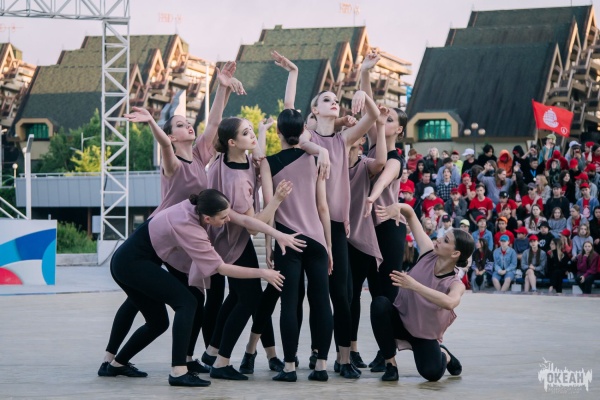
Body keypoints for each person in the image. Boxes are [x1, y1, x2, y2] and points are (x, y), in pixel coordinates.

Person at [99, 62, 244, 377]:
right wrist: (153, 121)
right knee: (157, 301)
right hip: (158, 239)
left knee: (187, 298)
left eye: (188, 122)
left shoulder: (200, 155)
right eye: (180, 124)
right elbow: (164, 145)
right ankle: (113, 359)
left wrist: (222, 86)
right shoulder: (173, 163)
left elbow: (214, 120)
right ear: (171, 135)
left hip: (179, 241)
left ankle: (176, 358)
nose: (188, 126)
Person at [106, 190, 285, 387]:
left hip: (128, 261)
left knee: (158, 323)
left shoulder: (199, 206)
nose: (228, 220)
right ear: (207, 218)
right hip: (132, 264)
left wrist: (278, 235)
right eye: (224, 218)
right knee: (187, 302)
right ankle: (178, 371)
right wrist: (263, 273)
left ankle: (117, 364)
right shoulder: (189, 227)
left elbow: (243, 220)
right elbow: (221, 268)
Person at [300, 80, 380, 379]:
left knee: (342, 295)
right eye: (326, 99)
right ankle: (316, 352)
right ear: (314, 109)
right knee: (317, 296)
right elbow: (299, 136)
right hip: (308, 225)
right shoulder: (306, 135)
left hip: (335, 226)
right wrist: (317, 150)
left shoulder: (343, 140)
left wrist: (363, 92)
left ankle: (343, 358)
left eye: (336, 99)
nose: (334, 102)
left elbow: (373, 117)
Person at [202, 116, 292, 380]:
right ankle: (221, 362)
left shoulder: (226, 159)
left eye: (251, 130)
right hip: (232, 243)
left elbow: (256, 155)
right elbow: (253, 226)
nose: (251, 136)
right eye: (246, 133)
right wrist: (276, 200)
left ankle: (213, 351)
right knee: (249, 299)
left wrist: (261, 132)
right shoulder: (237, 181)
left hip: (226, 239)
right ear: (232, 142)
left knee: (237, 297)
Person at [257, 108, 334, 382]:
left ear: (278, 132)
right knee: (321, 301)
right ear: (303, 131)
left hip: (287, 242)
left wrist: (269, 245)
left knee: (289, 303)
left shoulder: (268, 163)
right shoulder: (314, 159)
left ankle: (289, 367)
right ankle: (321, 366)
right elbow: (323, 207)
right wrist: (329, 247)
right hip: (316, 240)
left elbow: (270, 209)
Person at [370, 202, 474, 382]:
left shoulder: (456, 283)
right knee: (380, 304)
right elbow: (411, 214)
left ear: (455, 254)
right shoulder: (427, 252)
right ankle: (390, 365)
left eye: (445, 241)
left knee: (432, 373)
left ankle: (444, 354)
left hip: (424, 335)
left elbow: (449, 302)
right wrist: (397, 207)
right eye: (442, 237)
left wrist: (414, 285)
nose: (438, 240)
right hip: (401, 321)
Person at [347, 106, 387, 371]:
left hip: (362, 237)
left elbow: (381, 162)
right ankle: (348, 350)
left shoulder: (364, 164)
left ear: (361, 140)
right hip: (339, 237)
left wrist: (380, 125)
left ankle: (372, 351)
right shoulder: (330, 162)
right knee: (347, 297)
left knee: (366, 296)